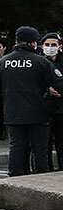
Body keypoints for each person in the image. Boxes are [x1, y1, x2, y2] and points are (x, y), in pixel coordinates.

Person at [0, 27, 63, 176]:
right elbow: (59, 83)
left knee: (16, 146)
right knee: (39, 149)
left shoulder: (3, 62)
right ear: (33, 43)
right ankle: (40, 179)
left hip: (13, 111)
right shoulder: (41, 62)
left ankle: (15, 178)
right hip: (38, 112)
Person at [41, 33, 63, 170]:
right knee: (44, 143)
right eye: (47, 45)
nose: (50, 48)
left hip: (60, 108)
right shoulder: (38, 61)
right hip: (44, 107)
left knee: (61, 141)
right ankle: (46, 169)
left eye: (53, 45)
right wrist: (47, 88)